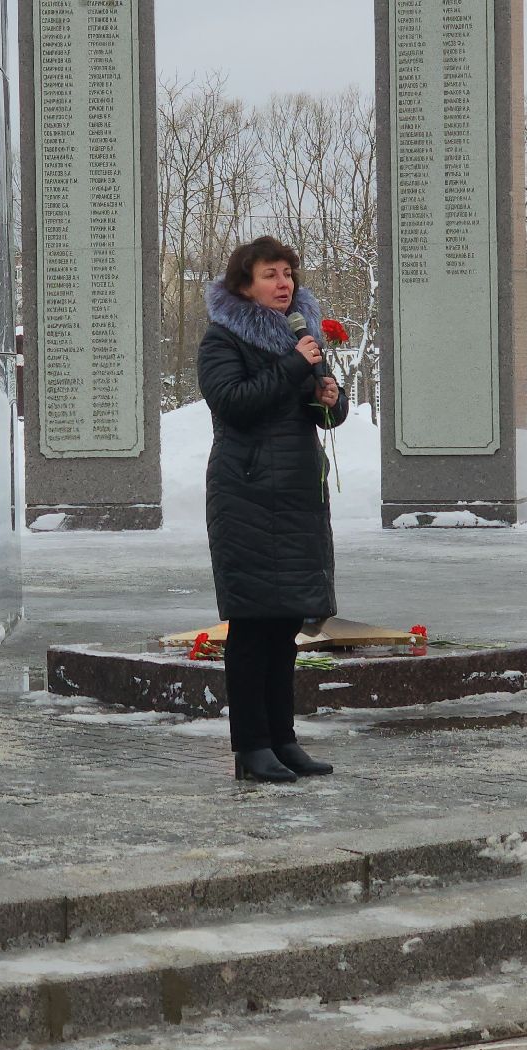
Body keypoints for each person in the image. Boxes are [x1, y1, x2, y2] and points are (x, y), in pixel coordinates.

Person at [198, 236, 349, 783]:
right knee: (252, 626)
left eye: (288, 273)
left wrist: (330, 399)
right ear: (244, 283)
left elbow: (318, 414)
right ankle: (250, 746)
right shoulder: (222, 338)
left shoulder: (299, 334)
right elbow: (233, 404)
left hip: (296, 494)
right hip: (246, 494)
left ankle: (284, 739)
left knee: (284, 623)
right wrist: (293, 367)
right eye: (270, 274)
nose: (283, 283)